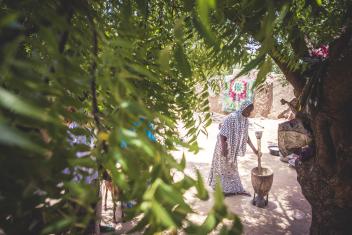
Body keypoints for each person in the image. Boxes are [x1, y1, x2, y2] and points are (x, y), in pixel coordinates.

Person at [208, 101, 258, 196]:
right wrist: (223, 148)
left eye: (251, 111)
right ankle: (222, 190)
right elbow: (222, 134)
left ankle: (237, 188)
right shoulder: (232, 117)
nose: (250, 113)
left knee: (232, 168)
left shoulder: (245, 120)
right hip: (224, 146)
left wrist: (254, 149)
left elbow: (246, 136)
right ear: (243, 108)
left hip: (232, 149)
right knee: (222, 168)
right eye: (248, 110)